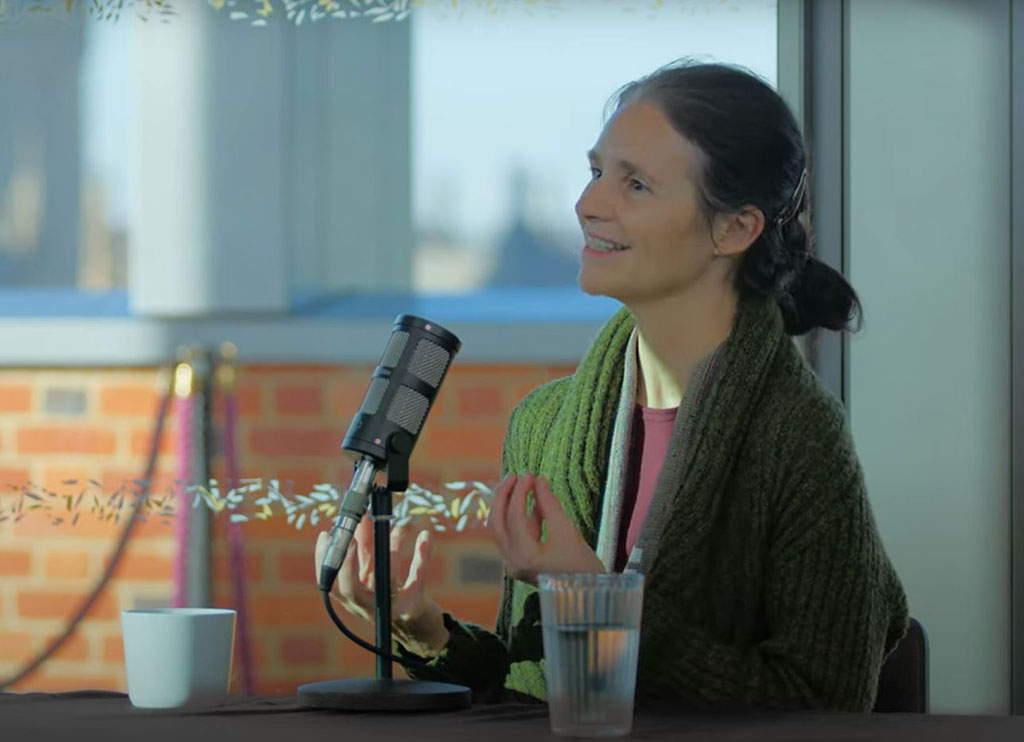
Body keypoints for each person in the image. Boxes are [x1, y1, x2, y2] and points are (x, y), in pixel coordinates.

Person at [314, 58, 908, 712]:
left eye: (637, 186)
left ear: (736, 228)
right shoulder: (544, 424)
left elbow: (826, 707)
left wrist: (592, 596)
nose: (587, 205)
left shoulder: (799, 439)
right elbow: (533, 684)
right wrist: (424, 628)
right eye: (597, 173)